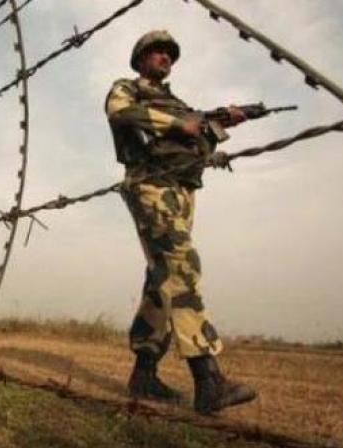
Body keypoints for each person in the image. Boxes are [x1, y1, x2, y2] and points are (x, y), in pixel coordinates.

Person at [104, 30, 256, 415]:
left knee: (163, 277)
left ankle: (144, 374)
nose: (164, 57)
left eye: (169, 53)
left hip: (182, 189)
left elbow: (195, 141)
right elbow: (119, 113)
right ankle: (209, 379)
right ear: (140, 59)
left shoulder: (179, 104)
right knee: (182, 267)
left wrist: (220, 127)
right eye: (156, 52)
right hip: (150, 184)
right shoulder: (128, 88)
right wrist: (179, 123)